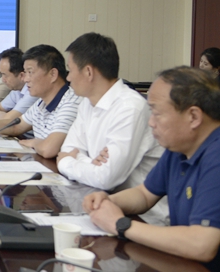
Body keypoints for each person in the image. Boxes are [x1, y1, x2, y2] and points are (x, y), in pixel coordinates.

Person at [84, 67, 220, 270]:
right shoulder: (180, 148)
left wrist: (120, 224)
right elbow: (144, 194)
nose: (151, 122)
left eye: (156, 113)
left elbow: (201, 244)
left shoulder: (216, 156)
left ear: (193, 117)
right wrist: (107, 202)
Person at [57, 33, 164, 195]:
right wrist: (91, 163)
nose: (68, 77)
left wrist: (66, 162)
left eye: (70, 70)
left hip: (137, 206)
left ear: (88, 72)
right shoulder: (87, 102)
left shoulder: (130, 107)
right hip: (97, 195)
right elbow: (69, 147)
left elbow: (106, 179)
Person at [0, 44, 81, 158]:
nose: (25, 79)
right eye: (25, 73)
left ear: (53, 74)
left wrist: (34, 142)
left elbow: (49, 149)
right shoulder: (41, 103)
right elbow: (16, 127)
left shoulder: (70, 102)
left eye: (30, 72)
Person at [0, 47, 39, 120]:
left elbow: (9, 119)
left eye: (5, 75)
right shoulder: (17, 89)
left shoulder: (32, 92)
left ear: (21, 75)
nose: (3, 80)